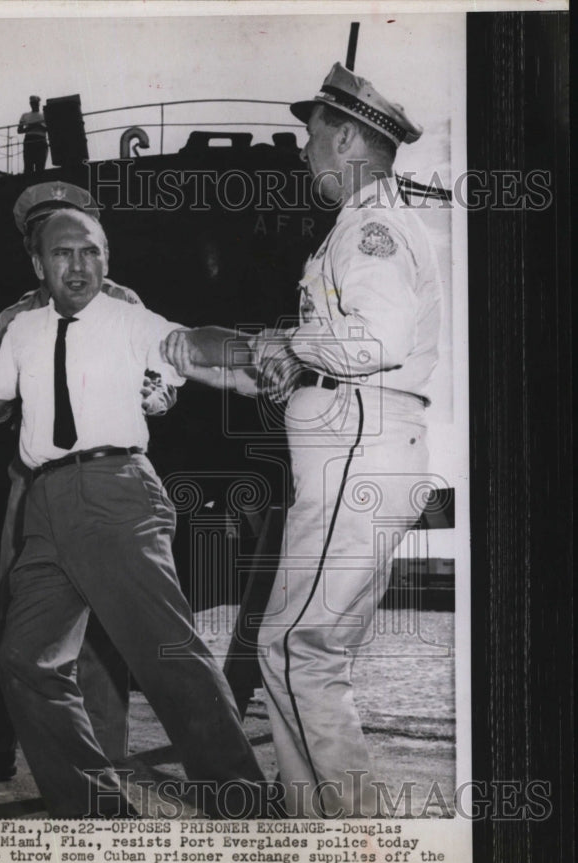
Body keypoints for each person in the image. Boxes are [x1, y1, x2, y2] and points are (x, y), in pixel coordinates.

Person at [0, 206, 266, 818]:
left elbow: (192, 344)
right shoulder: (22, 329)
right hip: (43, 500)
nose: (79, 264)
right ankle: (97, 809)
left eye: (90, 252)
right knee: (22, 657)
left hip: (115, 491)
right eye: (63, 253)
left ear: (106, 261)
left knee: (167, 652)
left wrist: (256, 349)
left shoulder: (129, 319)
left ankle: (242, 801)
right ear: (39, 265)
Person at [162, 63, 442, 818]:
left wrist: (292, 340)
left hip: (358, 449)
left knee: (296, 650)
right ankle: (327, 830)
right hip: (363, 443)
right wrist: (262, 358)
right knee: (301, 649)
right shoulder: (363, 226)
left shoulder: (370, 228)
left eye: (310, 135)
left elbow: (374, 339)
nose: (301, 152)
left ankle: (348, 839)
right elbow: (332, 350)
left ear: (346, 135)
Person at [0, 180, 177, 790]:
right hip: (34, 482)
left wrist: (157, 395)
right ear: (35, 250)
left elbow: (164, 383)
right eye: (43, 234)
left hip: (108, 475)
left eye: (72, 230)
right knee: (19, 620)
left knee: (105, 624)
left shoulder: (123, 301)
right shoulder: (17, 316)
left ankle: (104, 761)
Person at [17, 96, 48, 175]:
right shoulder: (25, 115)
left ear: (39, 103)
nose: (34, 105)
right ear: (30, 104)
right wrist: (31, 127)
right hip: (29, 140)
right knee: (28, 167)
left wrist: (39, 126)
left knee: (40, 167)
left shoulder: (45, 115)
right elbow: (19, 130)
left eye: (36, 103)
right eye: (33, 103)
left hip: (40, 140)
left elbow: (49, 129)